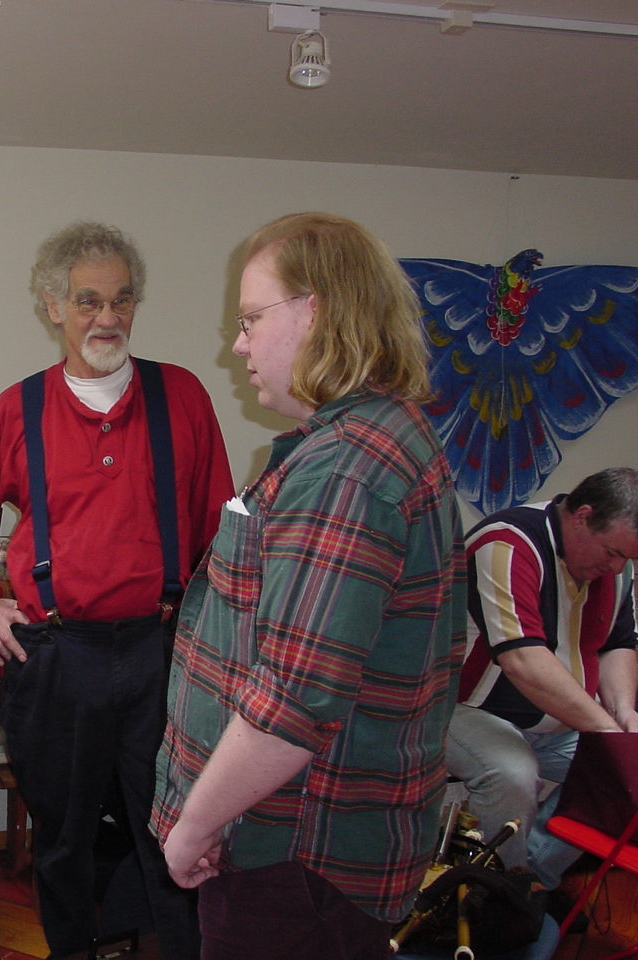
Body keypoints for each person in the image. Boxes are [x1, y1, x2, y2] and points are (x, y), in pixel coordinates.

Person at [154, 212, 468, 960]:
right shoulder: (366, 440)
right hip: (299, 845)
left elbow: (293, 701)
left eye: (250, 320)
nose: (238, 345)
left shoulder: (346, 469)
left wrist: (194, 825)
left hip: (295, 854)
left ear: (316, 312)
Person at [0, 221, 234, 958]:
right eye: (88, 301)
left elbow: (218, 527)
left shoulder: (182, 397)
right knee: (62, 841)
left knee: (176, 830)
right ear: (54, 307)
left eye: (121, 300)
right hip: (57, 659)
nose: (107, 317)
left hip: (160, 653)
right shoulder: (17, 411)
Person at [447, 468, 638, 894]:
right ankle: (501, 896)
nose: (617, 566)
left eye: (628, 559)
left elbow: (618, 644)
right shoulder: (507, 541)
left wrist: (623, 712)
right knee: (514, 776)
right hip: (463, 709)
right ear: (582, 516)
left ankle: (531, 883)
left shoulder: (615, 568)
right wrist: (606, 731)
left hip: (560, 724)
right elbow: (522, 659)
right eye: (613, 552)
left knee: (630, 769)